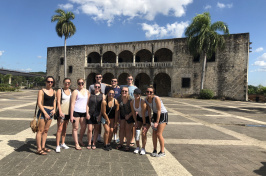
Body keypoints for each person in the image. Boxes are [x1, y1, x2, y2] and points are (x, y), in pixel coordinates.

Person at [35, 76, 56, 155]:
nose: (50, 83)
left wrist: (54, 109)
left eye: (51, 82)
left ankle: (43, 146)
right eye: (48, 81)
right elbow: (39, 103)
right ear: (46, 82)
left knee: (46, 130)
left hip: (51, 111)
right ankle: (39, 148)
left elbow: (54, 101)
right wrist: (45, 112)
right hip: (43, 111)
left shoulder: (54, 91)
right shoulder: (41, 91)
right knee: (40, 131)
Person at [145, 86, 168, 157]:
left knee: (158, 133)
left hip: (162, 115)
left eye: (151, 92)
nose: (149, 93)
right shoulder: (146, 99)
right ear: (145, 92)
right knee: (154, 133)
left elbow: (159, 110)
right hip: (155, 115)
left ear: (153, 93)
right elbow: (149, 110)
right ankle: (154, 150)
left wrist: (157, 122)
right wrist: (150, 120)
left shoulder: (156, 98)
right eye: (147, 92)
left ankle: (162, 151)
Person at [70, 78, 90, 150]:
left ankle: (80, 139)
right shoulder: (75, 92)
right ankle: (76, 143)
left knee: (84, 127)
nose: (80, 84)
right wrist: (71, 115)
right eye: (79, 83)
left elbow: (88, 104)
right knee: (75, 128)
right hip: (76, 111)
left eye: (82, 83)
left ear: (84, 83)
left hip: (84, 112)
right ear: (77, 84)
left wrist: (87, 113)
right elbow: (72, 104)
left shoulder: (87, 91)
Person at [130, 88, 150, 155]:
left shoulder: (143, 102)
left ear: (140, 95)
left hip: (146, 118)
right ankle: (138, 147)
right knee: (136, 131)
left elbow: (144, 114)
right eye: (135, 93)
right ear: (134, 94)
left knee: (144, 133)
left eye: (138, 94)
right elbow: (133, 113)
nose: (137, 95)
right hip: (139, 117)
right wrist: (136, 122)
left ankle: (143, 148)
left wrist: (144, 124)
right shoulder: (132, 102)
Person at [87, 83, 105, 150]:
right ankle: (89, 143)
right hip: (90, 114)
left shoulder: (102, 95)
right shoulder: (90, 94)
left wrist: (100, 115)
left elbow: (102, 107)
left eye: (98, 87)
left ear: (100, 88)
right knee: (89, 129)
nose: (97, 88)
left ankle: (94, 143)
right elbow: (87, 104)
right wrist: (87, 113)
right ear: (94, 87)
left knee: (96, 129)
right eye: (96, 86)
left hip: (98, 115)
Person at [120, 75, 138, 146]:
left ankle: (132, 139)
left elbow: (137, 96)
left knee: (132, 126)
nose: (129, 80)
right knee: (123, 127)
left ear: (132, 80)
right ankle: (124, 139)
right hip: (124, 110)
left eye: (131, 79)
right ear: (126, 79)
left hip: (132, 108)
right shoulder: (122, 86)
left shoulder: (135, 87)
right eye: (128, 79)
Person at [55, 78, 72, 153]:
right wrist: (60, 111)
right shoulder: (60, 90)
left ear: (70, 83)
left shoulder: (71, 91)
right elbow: (58, 101)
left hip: (68, 112)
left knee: (65, 128)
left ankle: (63, 143)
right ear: (63, 82)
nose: (67, 84)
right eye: (65, 82)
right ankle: (57, 145)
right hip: (62, 112)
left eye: (68, 82)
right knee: (59, 129)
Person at [88, 73, 106, 143]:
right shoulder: (91, 86)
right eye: (97, 77)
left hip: (99, 107)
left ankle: (98, 136)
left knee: (99, 124)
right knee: (91, 127)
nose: (98, 78)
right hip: (92, 107)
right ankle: (92, 137)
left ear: (101, 78)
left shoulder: (104, 85)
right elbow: (89, 95)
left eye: (100, 77)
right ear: (95, 78)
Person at [117, 87, 134, 151]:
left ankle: (127, 145)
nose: (124, 92)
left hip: (130, 115)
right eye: (123, 91)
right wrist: (118, 117)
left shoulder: (131, 99)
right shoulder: (119, 98)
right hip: (122, 115)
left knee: (128, 130)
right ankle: (121, 143)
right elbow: (118, 109)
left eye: (125, 91)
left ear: (128, 92)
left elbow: (134, 110)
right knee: (121, 129)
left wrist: (129, 115)